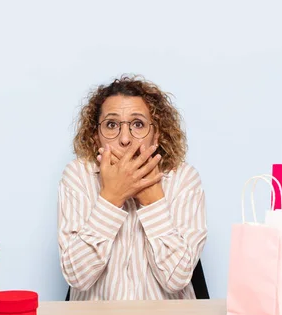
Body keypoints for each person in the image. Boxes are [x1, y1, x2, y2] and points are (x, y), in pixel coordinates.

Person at [57, 75, 207, 300]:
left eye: (138, 124)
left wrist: (153, 201)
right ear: (96, 135)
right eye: (111, 125)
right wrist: (111, 198)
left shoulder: (183, 179)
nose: (125, 139)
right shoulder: (79, 176)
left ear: (156, 133)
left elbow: (176, 280)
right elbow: (77, 277)